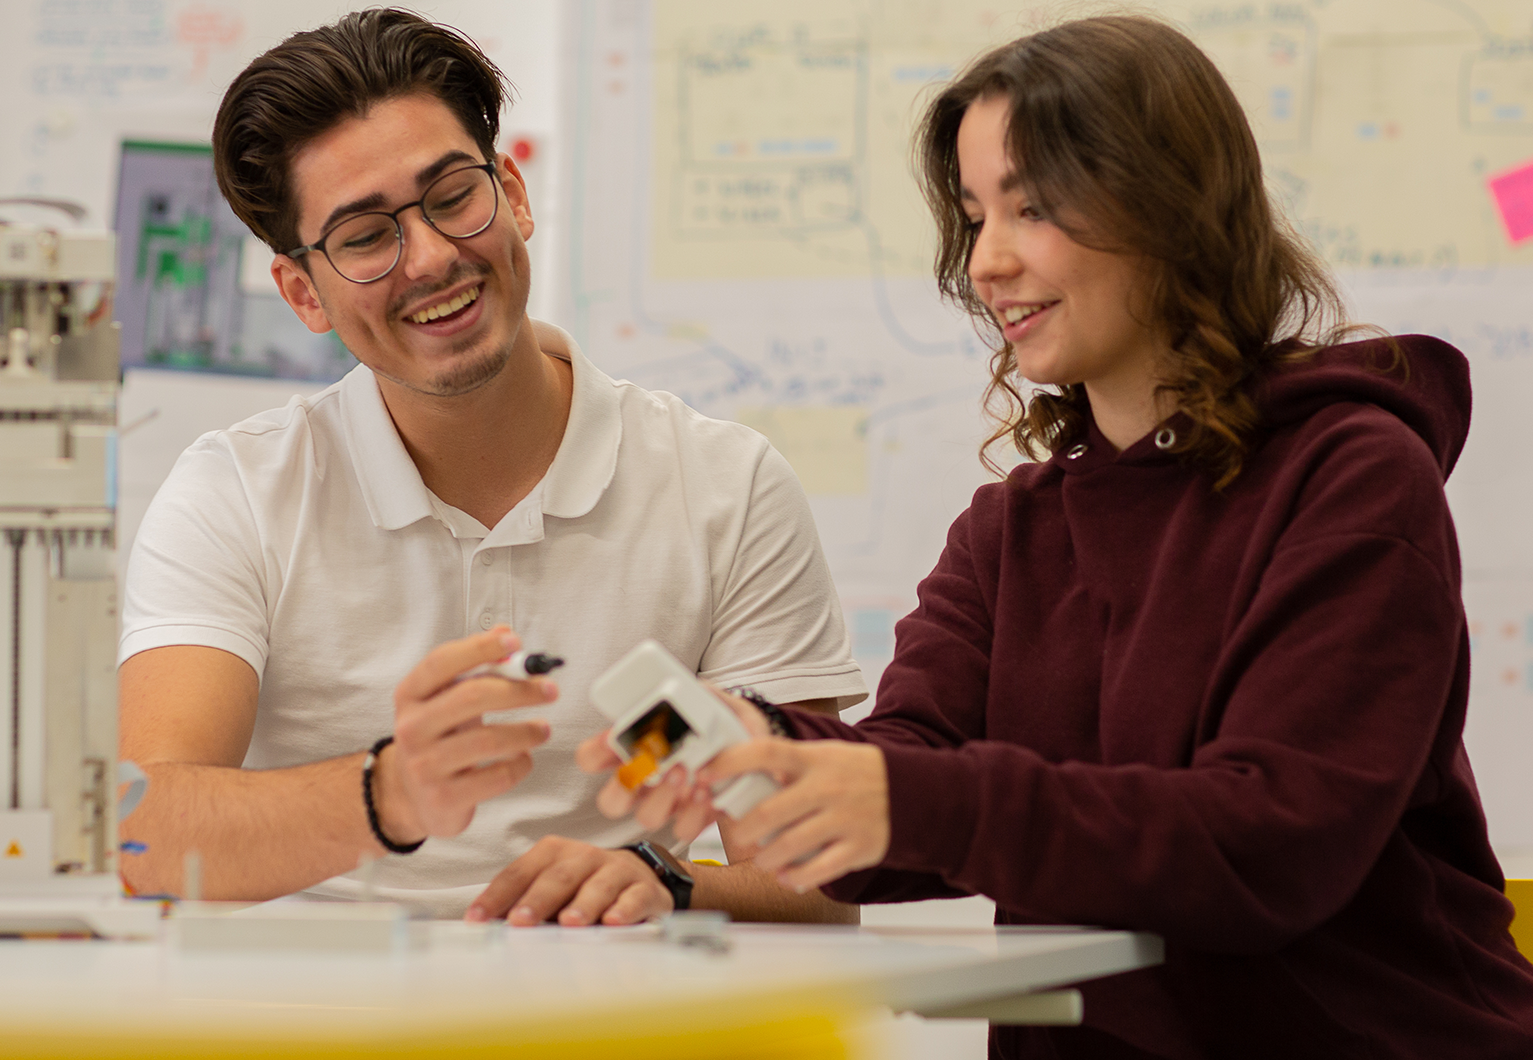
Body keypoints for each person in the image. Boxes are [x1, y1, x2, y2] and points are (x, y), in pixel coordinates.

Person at [587, 15, 1533, 1057]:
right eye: (972, 213)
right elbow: (903, 793)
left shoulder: (1351, 478)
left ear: (1169, 208)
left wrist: (902, 797)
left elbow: (1267, 848)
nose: (986, 261)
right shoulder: (1012, 528)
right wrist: (757, 752)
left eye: (1031, 207)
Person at [117, 8, 866, 924]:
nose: (430, 257)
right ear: (302, 292)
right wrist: (387, 794)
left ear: (512, 193)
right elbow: (141, 831)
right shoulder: (235, 493)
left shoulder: (724, 488)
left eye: (452, 196)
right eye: (363, 237)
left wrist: (673, 885)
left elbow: (822, 887)